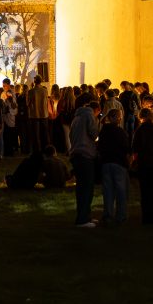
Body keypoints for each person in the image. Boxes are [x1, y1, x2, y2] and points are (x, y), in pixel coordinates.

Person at [68, 97, 99, 227]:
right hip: (85, 154)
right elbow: (93, 133)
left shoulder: (76, 118)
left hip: (76, 153)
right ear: (96, 110)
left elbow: (70, 135)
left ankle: (85, 215)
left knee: (81, 187)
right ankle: (83, 219)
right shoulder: (90, 116)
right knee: (87, 188)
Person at [97, 108, 129, 225]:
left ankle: (108, 214)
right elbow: (126, 147)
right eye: (118, 116)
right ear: (112, 118)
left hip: (106, 162)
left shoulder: (103, 131)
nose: (120, 118)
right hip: (118, 163)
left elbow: (99, 146)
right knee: (120, 190)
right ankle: (120, 215)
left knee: (108, 190)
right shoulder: (120, 132)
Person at [27, 75, 50, 153]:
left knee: (36, 135)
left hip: (35, 115)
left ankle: (37, 151)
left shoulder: (31, 91)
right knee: (45, 134)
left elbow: (28, 103)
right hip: (44, 114)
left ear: (34, 81)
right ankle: (46, 150)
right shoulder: (45, 91)